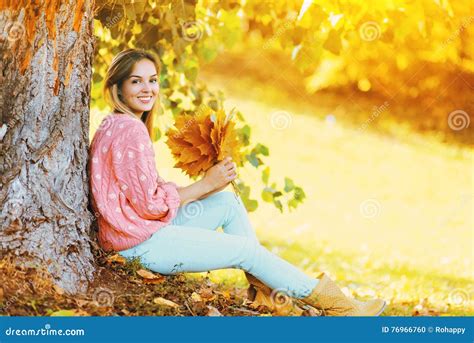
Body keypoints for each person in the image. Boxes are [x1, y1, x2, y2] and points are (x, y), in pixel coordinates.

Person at [89, 48, 386, 316]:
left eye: (152, 80)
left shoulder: (115, 124)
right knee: (247, 251)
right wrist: (205, 184)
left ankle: (269, 296)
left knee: (227, 203)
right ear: (117, 87)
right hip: (139, 244)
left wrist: (209, 186)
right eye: (136, 81)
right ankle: (341, 308)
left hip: (136, 234)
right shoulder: (131, 131)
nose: (147, 89)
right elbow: (150, 205)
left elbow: (144, 197)